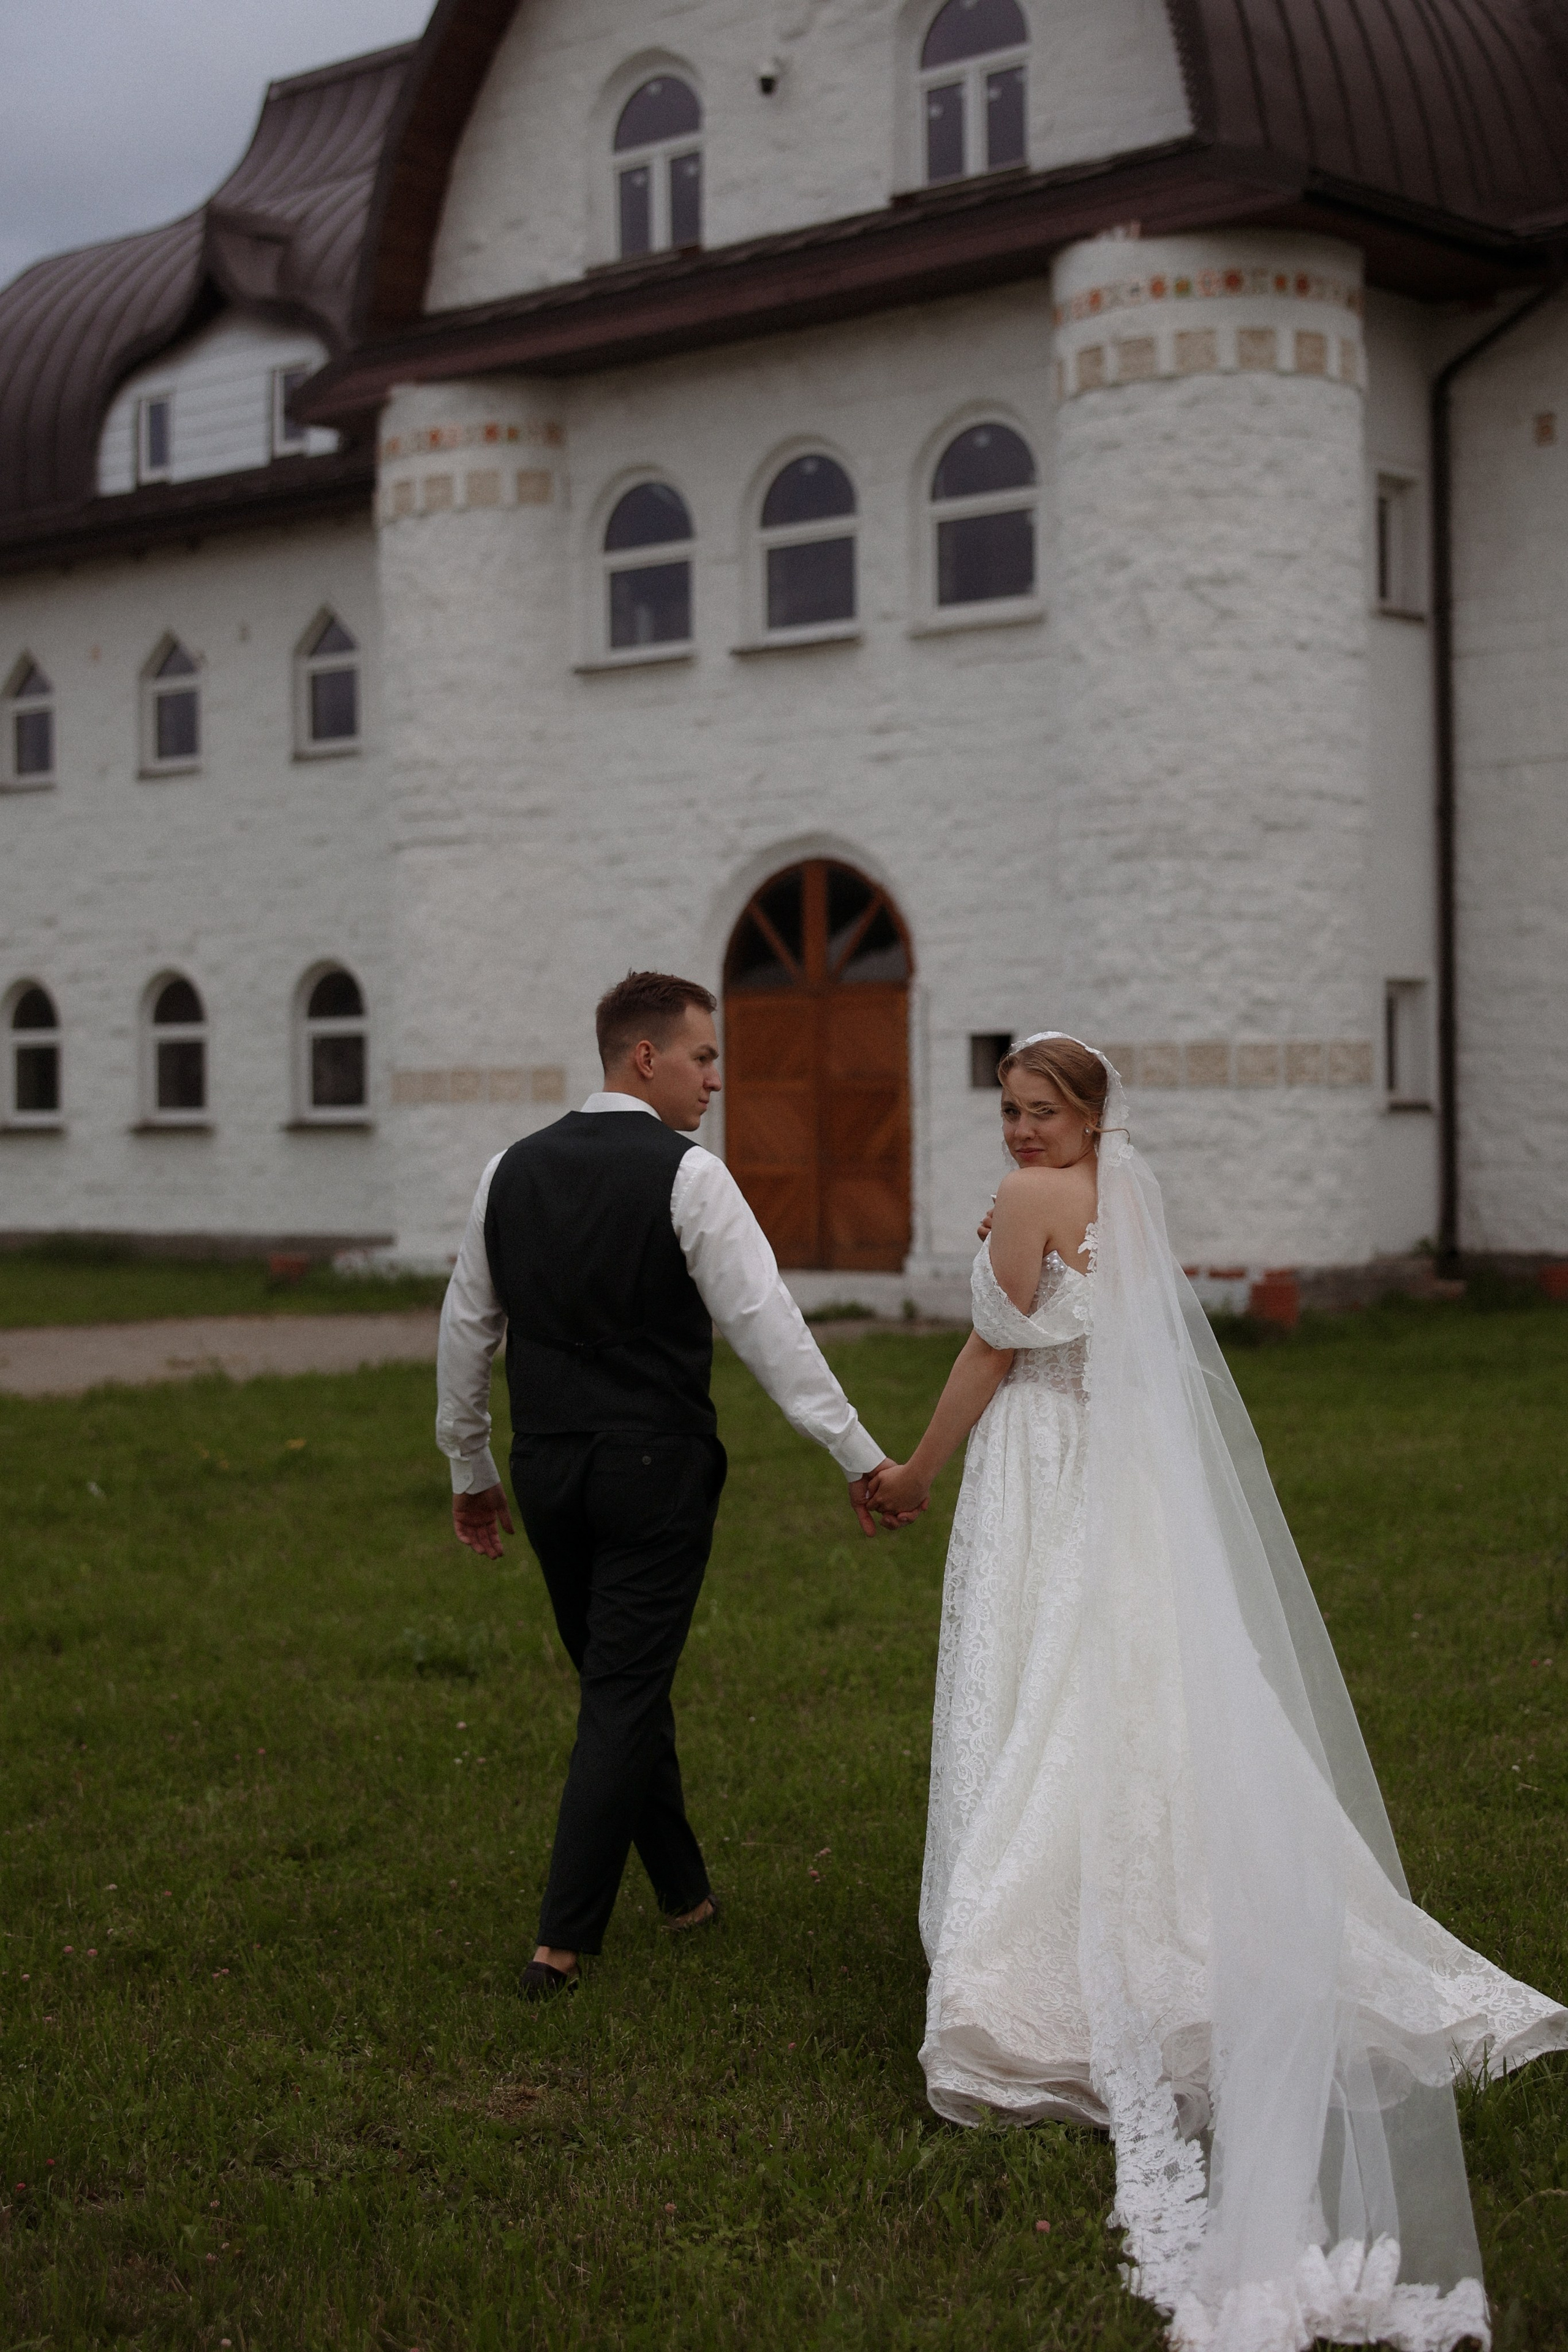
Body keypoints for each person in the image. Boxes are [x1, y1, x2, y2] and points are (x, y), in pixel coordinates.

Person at [868, 1033, 1567, 2352]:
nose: (1018, 1132)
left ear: (1085, 1114)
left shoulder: (1032, 1200)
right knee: (1130, 1693)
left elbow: (989, 1352)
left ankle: (1043, 1937)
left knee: (1042, 1685)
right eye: (1008, 1113)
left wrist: (910, 1473)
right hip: (1122, 1485)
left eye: (1039, 1112)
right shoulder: (1120, 1192)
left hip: (1043, 1470)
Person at [436, 970, 908, 2002]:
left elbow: (466, 1332)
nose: (719, 1081)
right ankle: (558, 1945)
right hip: (652, 1471)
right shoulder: (689, 1176)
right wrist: (862, 1457)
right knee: (621, 1688)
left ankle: (686, 1893)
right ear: (644, 1058)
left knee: (619, 1679)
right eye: (704, 1057)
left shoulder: (505, 1172)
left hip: (549, 1468)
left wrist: (472, 1470)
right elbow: (768, 1327)